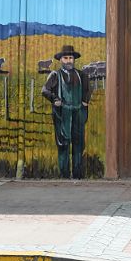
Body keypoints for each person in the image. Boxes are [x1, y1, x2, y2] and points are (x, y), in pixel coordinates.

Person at [41, 44, 90, 179]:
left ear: (74, 59)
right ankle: (64, 175)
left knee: (79, 144)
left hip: (78, 113)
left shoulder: (82, 75)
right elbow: (45, 90)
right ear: (61, 60)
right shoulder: (55, 75)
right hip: (62, 114)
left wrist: (85, 102)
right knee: (63, 145)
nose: (68, 60)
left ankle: (77, 175)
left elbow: (87, 90)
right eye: (65, 58)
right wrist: (54, 99)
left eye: (70, 58)